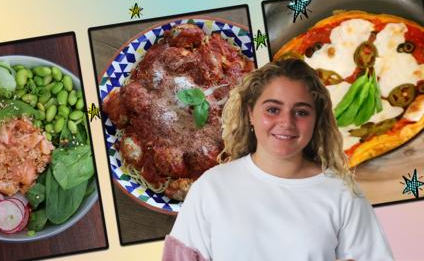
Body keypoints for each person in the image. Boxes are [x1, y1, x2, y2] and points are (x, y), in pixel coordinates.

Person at [161, 59, 394, 261]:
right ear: (250, 113)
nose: (286, 123)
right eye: (273, 109)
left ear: (316, 119)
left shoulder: (342, 193)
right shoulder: (212, 188)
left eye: (301, 112)